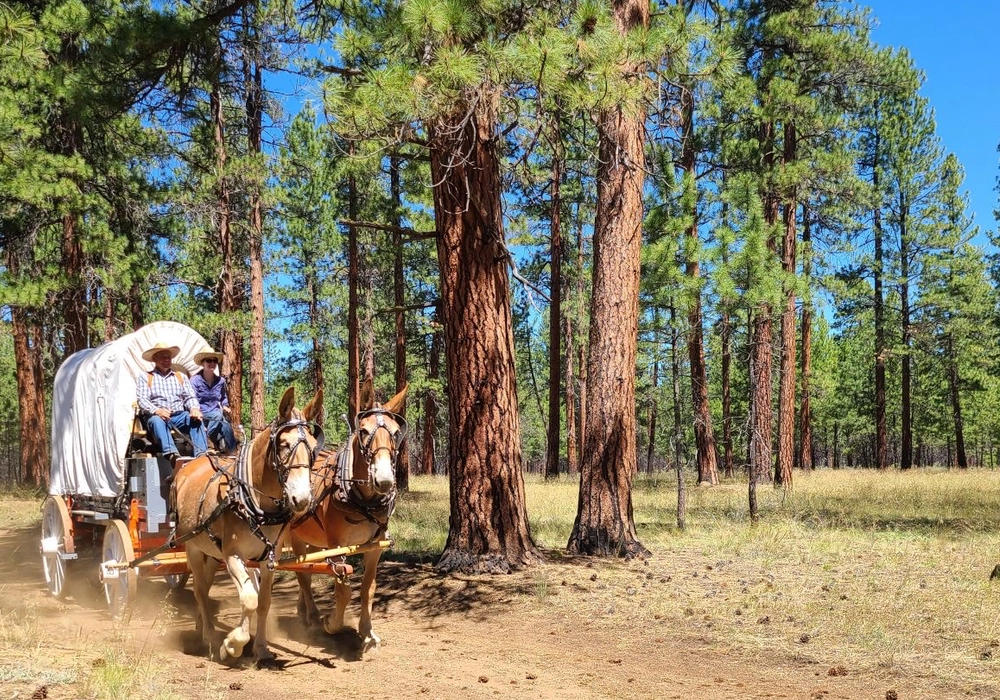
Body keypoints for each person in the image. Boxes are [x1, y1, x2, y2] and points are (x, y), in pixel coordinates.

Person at [136, 341, 209, 461]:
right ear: (154, 359)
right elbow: (143, 400)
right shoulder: (146, 377)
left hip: (179, 416)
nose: (166, 360)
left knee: (195, 419)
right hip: (158, 417)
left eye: (168, 357)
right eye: (163, 357)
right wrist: (157, 410)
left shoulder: (180, 377)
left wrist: (194, 408)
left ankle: (202, 455)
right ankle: (172, 455)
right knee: (156, 421)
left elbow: (190, 396)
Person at [190, 345, 238, 453]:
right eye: (209, 360)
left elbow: (223, 397)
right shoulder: (195, 380)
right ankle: (208, 440)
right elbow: (191, 398)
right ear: (203, 363)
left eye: (214, 361)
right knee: (218, 414)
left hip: (216, 416)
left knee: (227, 428)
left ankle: (233, 453)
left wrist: (225, 405)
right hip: (201, 415)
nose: (212, 363)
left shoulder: (220, 381)